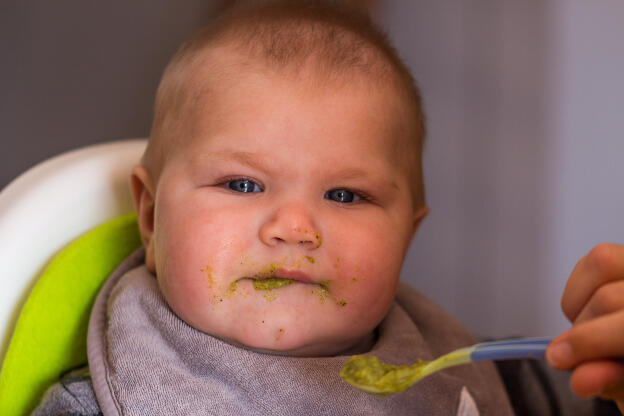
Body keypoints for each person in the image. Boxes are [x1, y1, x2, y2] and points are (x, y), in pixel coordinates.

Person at [33, 1, 624, 415]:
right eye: (241, 184)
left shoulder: (470, 368)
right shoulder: (104, 402)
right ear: (152, 218)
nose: (294, 228)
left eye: (345, 195)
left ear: (406, 238)